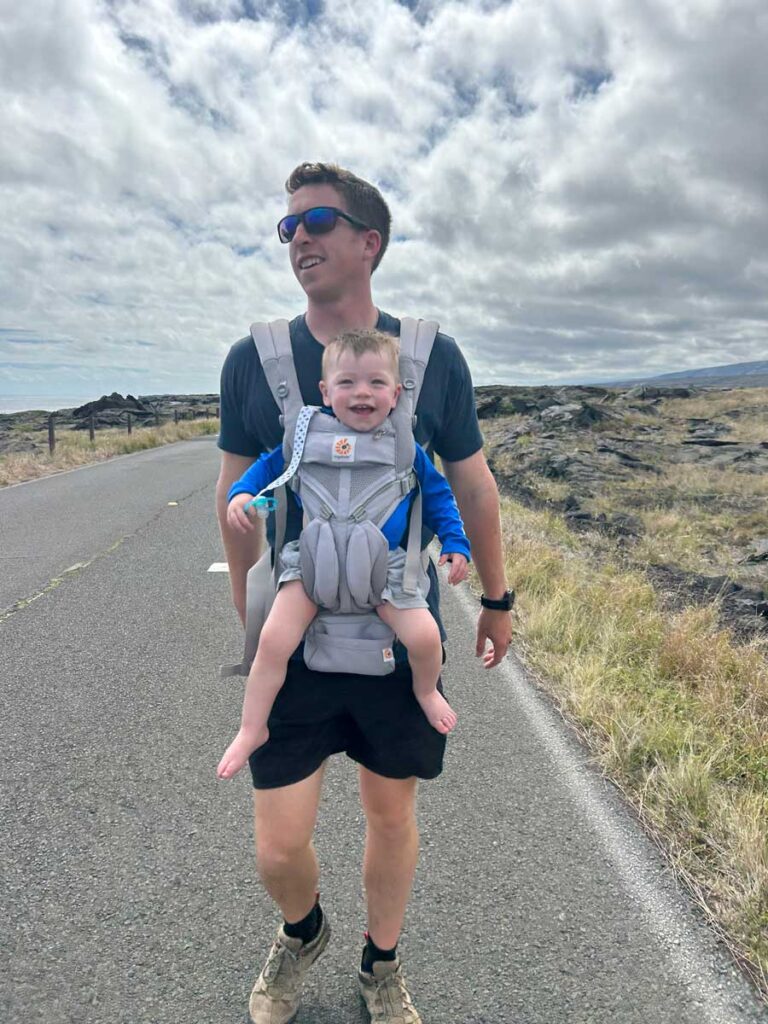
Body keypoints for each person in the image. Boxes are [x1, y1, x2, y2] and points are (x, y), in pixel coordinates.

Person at [216, 162, 513, 1024]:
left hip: (392, 617)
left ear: (368, 241)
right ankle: (302, 929)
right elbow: (235, 495)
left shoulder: (428, 356)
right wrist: (250, 618)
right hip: (300, 624)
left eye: (316, 221)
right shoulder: (257, 360)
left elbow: (470, 482)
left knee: (390, 812)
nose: (298, 238)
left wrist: (495, 595)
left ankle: (381, 965)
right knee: (278, 848)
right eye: (287, 228)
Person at [218, 328, 470, 781]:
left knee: (426, 639)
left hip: (386, 570)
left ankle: (427, 693)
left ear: (396, 394)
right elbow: (264, 468)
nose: (362, 393)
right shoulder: (302, 435)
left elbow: (439, 497)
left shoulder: (404, 446)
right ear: (324, 391)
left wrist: (456, 543)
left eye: (376, 383)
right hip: (312, 561)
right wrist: (241, 496)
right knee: (271, 644)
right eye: (348, 382)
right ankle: (252, 727)